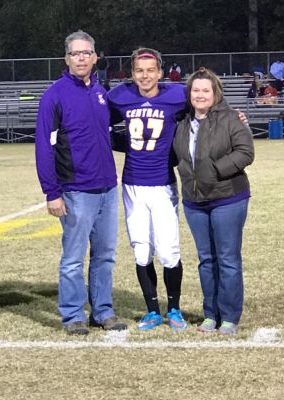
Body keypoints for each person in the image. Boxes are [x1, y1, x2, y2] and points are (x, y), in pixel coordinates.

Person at [35, 30, 127, 335]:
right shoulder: (54, 95)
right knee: (73, 258)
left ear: (95, 57)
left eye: (86, 53)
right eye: (75, 54)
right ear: (66, 58)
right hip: (76, 190)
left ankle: (102, 311)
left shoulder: (102, 93)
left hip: (107, 188)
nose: (81, 58)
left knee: (105, 255)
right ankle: (73, 314)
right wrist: (52, 192)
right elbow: (44, 147)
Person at [108, 48, 187, 331]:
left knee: (169, 250)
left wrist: (233, 116)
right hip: (132, 185)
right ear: (132, 74)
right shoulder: (120, 96)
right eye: (139, 70)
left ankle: (174, 308)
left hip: (163, 184)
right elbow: (98, 120)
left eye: (150, 70)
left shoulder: (177, 95)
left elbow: (207, 106)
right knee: (141, 250)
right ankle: (152, 310)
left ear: (160, 72)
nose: (145, 75)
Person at [173, 67, 254, 335]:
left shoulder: (231, 118)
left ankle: (229, 316)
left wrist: (215, 170)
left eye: (205, 90)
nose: (200, 94)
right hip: (194, 201)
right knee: (206, 260)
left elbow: (245, 152)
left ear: (215, 92)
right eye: (195, 90)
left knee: (227, 259)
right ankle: (211, 314)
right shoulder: (182, 122)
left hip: (228, 197)